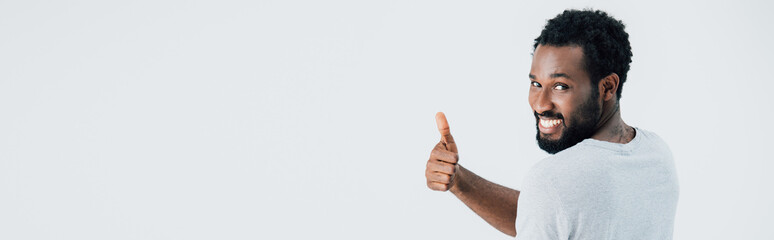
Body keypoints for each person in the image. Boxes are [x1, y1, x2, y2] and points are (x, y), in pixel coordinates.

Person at [424, 9, 679, 239]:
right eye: (536, 84)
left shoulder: (552, 180)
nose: (540, 104)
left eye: (560, 86)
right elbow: (551, 215)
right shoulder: (656, 153)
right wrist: (459, 180)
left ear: (607, 87)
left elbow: (554, 203)